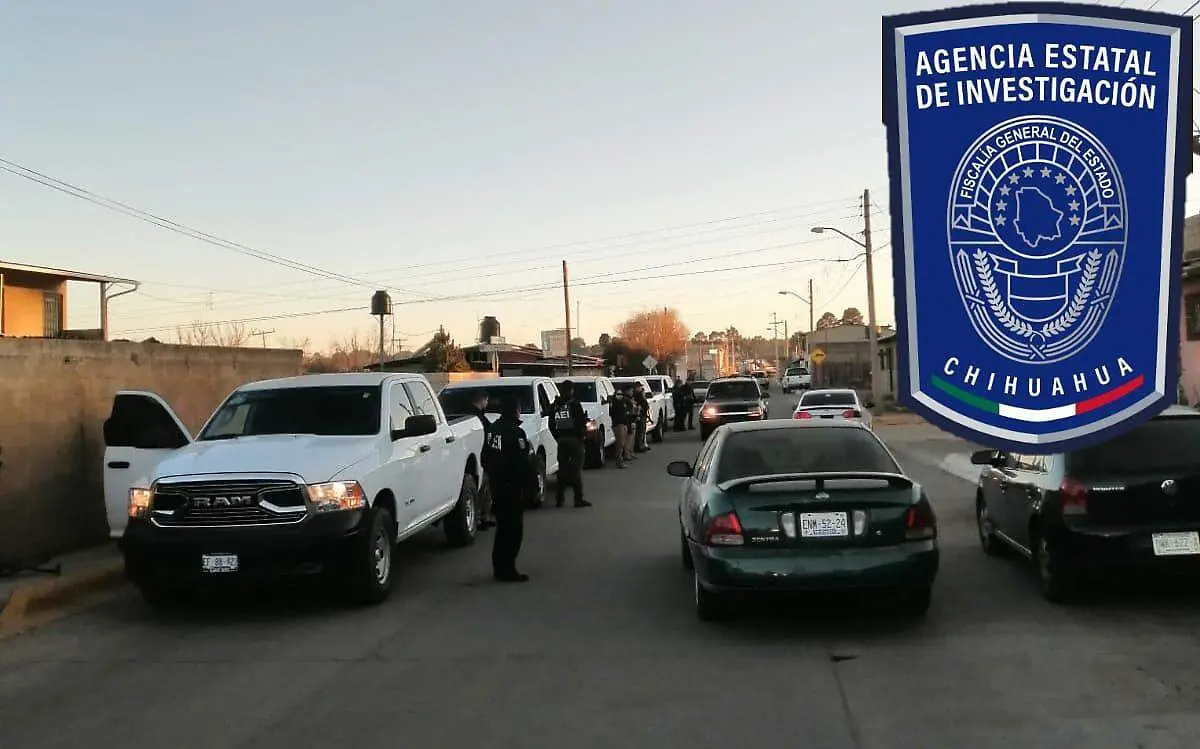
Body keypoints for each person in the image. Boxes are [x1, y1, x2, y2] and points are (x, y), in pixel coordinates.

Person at [481, 395, 540, 583]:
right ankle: (508, 568)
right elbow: (522, 462)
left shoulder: (492, 429)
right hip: (511, 486)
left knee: (502, 529)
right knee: (513, 530)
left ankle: (499, 566)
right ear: (515, 410)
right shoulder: (515, 432)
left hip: (496, 485)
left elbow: (485, 457)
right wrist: (532, 485)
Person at [548, 380, 591, 508]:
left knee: (562, 470)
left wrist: (557, 436)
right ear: (571, 390)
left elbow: (551, 423)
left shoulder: (555, 404)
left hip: (561, 440)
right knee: (575, 470)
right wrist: (582, 436)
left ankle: (559, 499)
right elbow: (581, 422)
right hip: (574, 440)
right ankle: (578, 499)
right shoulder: (575, 404)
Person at [469, 391, 495, 530]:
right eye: (487, 400)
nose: (487, 404)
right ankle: (481, 518)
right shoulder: (477, 417)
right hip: (482, 457)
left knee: (484, 489)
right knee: (484, 489)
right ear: (482, 399)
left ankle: (484, 517)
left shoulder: (475, 415)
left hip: (480, 456)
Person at [609, 386, 635, 467]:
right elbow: (612, 414)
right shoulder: (614, 404)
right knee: (620, 443)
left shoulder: (624, 402)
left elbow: (628, 410)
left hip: (624, 424)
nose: (620, 395)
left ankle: (620, 459)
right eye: (618, 394)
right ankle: (619, 461)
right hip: (618, 424)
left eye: (621, 394)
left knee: (622, 443)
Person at [633, 383, 651, 453]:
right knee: (639, 431)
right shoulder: (636, 395)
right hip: (639, 415)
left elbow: (645, 404)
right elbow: (641, 404)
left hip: (643, 415)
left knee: (642, 431)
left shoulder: (641, 395)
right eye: (640, 387)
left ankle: (642, 445)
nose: (641, 388)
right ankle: (638, 446)